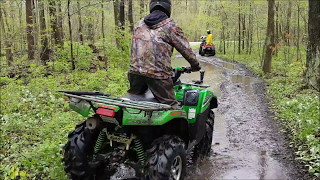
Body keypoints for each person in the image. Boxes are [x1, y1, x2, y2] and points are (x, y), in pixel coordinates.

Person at [127, 0, 201, 110]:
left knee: (132, 103)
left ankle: (128, 126)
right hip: (158, 75)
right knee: (171, 107)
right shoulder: (170, 26)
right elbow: (186, 50)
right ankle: (175, 126)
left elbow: (134, 49)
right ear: (168, 8)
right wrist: (195, 65)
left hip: (135, 72)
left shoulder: (139, 24)